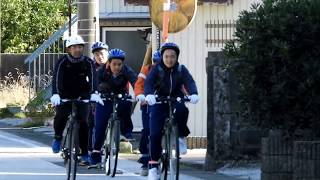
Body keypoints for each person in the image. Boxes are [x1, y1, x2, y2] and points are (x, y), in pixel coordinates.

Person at [144, 42, 199, 180]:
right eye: (167, 56)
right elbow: (149, 83)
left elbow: (189, 81)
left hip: (176, 98)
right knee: (155, 133)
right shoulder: (156, 69)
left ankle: (180, 137)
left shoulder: (181, 69)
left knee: (182, 110)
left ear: (176, 57)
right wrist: (149, 94)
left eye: (172, 56)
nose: (169, 59)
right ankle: (153, 167)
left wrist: (194, 93)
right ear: (162, 57)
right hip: (158, 100)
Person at [50, 35, 104, 165]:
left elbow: (93, 78)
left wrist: (94, 93)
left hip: (82, 95)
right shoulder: (62, 61)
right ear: (69, 49)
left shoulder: (88, 62)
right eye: (74, 47)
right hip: (64, 94)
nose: (77, 49)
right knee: (60, 117)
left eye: (80, 47)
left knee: (84, 123)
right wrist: (56, 94)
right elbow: (56, 78)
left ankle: (84, 151)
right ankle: (58, 137)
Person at [90, 48, 137, 165]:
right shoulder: (101, 71)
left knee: (127, 104)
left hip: (121, 96)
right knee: (100, 125)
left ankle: (126, 131)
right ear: (108, 63)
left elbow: (136, 82)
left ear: (123, 64)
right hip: (105, 97)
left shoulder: (126, 70)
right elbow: (93, 84)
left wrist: (139, 94)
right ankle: (96, 152)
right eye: (114, 64)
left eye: (119, 64)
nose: (117, 67)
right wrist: (95, 94)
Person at [134, 50, 162, 176]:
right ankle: (146, 159)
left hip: (163, 103)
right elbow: (139, 84)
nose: (158, 65)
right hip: (147, 104)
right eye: (156, 62)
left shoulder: (172, 71)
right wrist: (140, 95)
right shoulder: (147, 70)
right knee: (147, 130)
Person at [87, 41, 109, 153]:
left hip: (110, 97)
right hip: (95, 97)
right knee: (91, 122)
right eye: (96, 54)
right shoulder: (91, 67)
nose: (99, 57)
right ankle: (91, 150)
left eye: (101, 53)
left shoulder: (114, 64)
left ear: (107, 53)